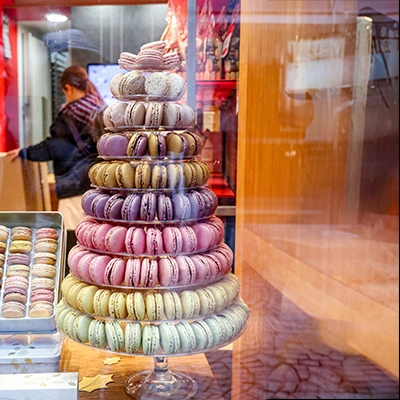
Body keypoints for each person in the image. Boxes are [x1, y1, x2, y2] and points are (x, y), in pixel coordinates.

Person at [7, 65, 106, 253]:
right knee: (92, 240)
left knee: (73, 241)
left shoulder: (71, 113)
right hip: (96, 183)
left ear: (68, 88)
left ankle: (73, 278)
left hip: (75, 186)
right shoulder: (96, 104)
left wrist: (25, 152)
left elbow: (54, 146)